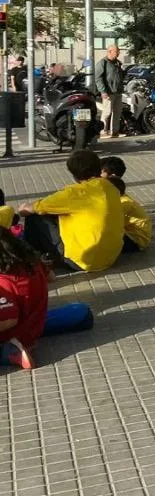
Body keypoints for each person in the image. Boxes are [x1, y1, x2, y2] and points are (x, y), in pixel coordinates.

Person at [18, 150, 124, 273]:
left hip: (82, 261)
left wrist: (23, 208)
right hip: (110, 257)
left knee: (35, 217)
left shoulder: (75, 193)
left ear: (74, 174)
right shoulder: (110, 187)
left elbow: (27, 210)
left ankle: (33, 261)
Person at [0, 228, 48, 370]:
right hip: (35, 325)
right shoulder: (32, 263)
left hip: (17, 334)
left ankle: (11, 353)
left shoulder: (4, 281)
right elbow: (52, 277)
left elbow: (9, 320)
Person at [105, 176, 151, 252]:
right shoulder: (122, 199)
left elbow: (108, 220)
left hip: (136, 240)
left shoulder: (124, 203)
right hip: (133, 235)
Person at [94, 44, 126, 138]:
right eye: (117, 51)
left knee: (117, 112)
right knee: (107, 112)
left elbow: (120, 76)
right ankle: (103, 131)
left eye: (118, 51)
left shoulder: (117, 63)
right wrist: (103, 91)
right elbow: (98, 78)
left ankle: (115, 132)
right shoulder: (103, 62)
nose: (118, 53)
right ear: (110, 51)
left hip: (118, 91)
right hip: (108, 91)